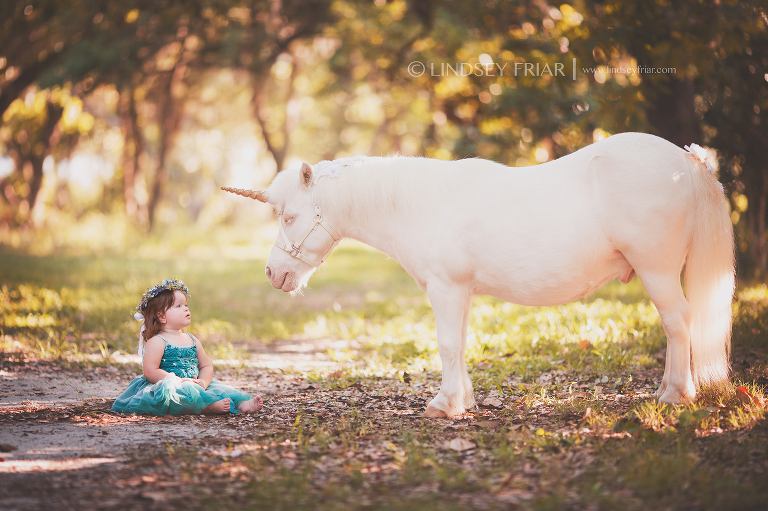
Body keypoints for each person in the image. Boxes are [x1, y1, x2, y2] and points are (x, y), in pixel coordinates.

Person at [111, 278, 262, 415]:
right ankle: (206, 407)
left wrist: (203, 382)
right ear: (161, 316)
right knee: (177, 397)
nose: (186, 309)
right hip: (168, 387)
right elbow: (150, 371)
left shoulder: (191, 339)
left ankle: (243, 404)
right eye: (178, 306)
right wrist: (178, 381)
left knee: (219, 391)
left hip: (195, 384)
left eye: (186, 305)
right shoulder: (158, 341)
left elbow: (206, 365)